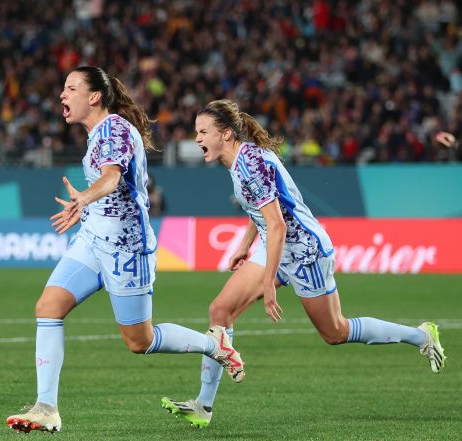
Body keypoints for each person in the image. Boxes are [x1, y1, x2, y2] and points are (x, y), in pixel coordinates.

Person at [160, 99, 447, 428]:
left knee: (335, 332)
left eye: (203, 132)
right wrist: (244, 245)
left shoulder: (249, 164)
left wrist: (267, 283)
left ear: (225, 134)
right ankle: (203, 406)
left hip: (304, 251)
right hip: (276, 246)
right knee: (220, 311)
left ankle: (420, 336)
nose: (197, 138)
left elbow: (278, 225)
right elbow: (263, 211)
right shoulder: (240, 160)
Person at [5, 67, 244, 434]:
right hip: (92, 240)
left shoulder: (114, 129)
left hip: (125, 249)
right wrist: (86, 209)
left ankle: (214, 345)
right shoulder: (97, 133)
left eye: (71, 88)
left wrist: (85, 198)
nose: (62, 95)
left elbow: (112, 177)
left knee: (139, 341)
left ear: (94, 97)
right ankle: (46, 408)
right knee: (48, 307)